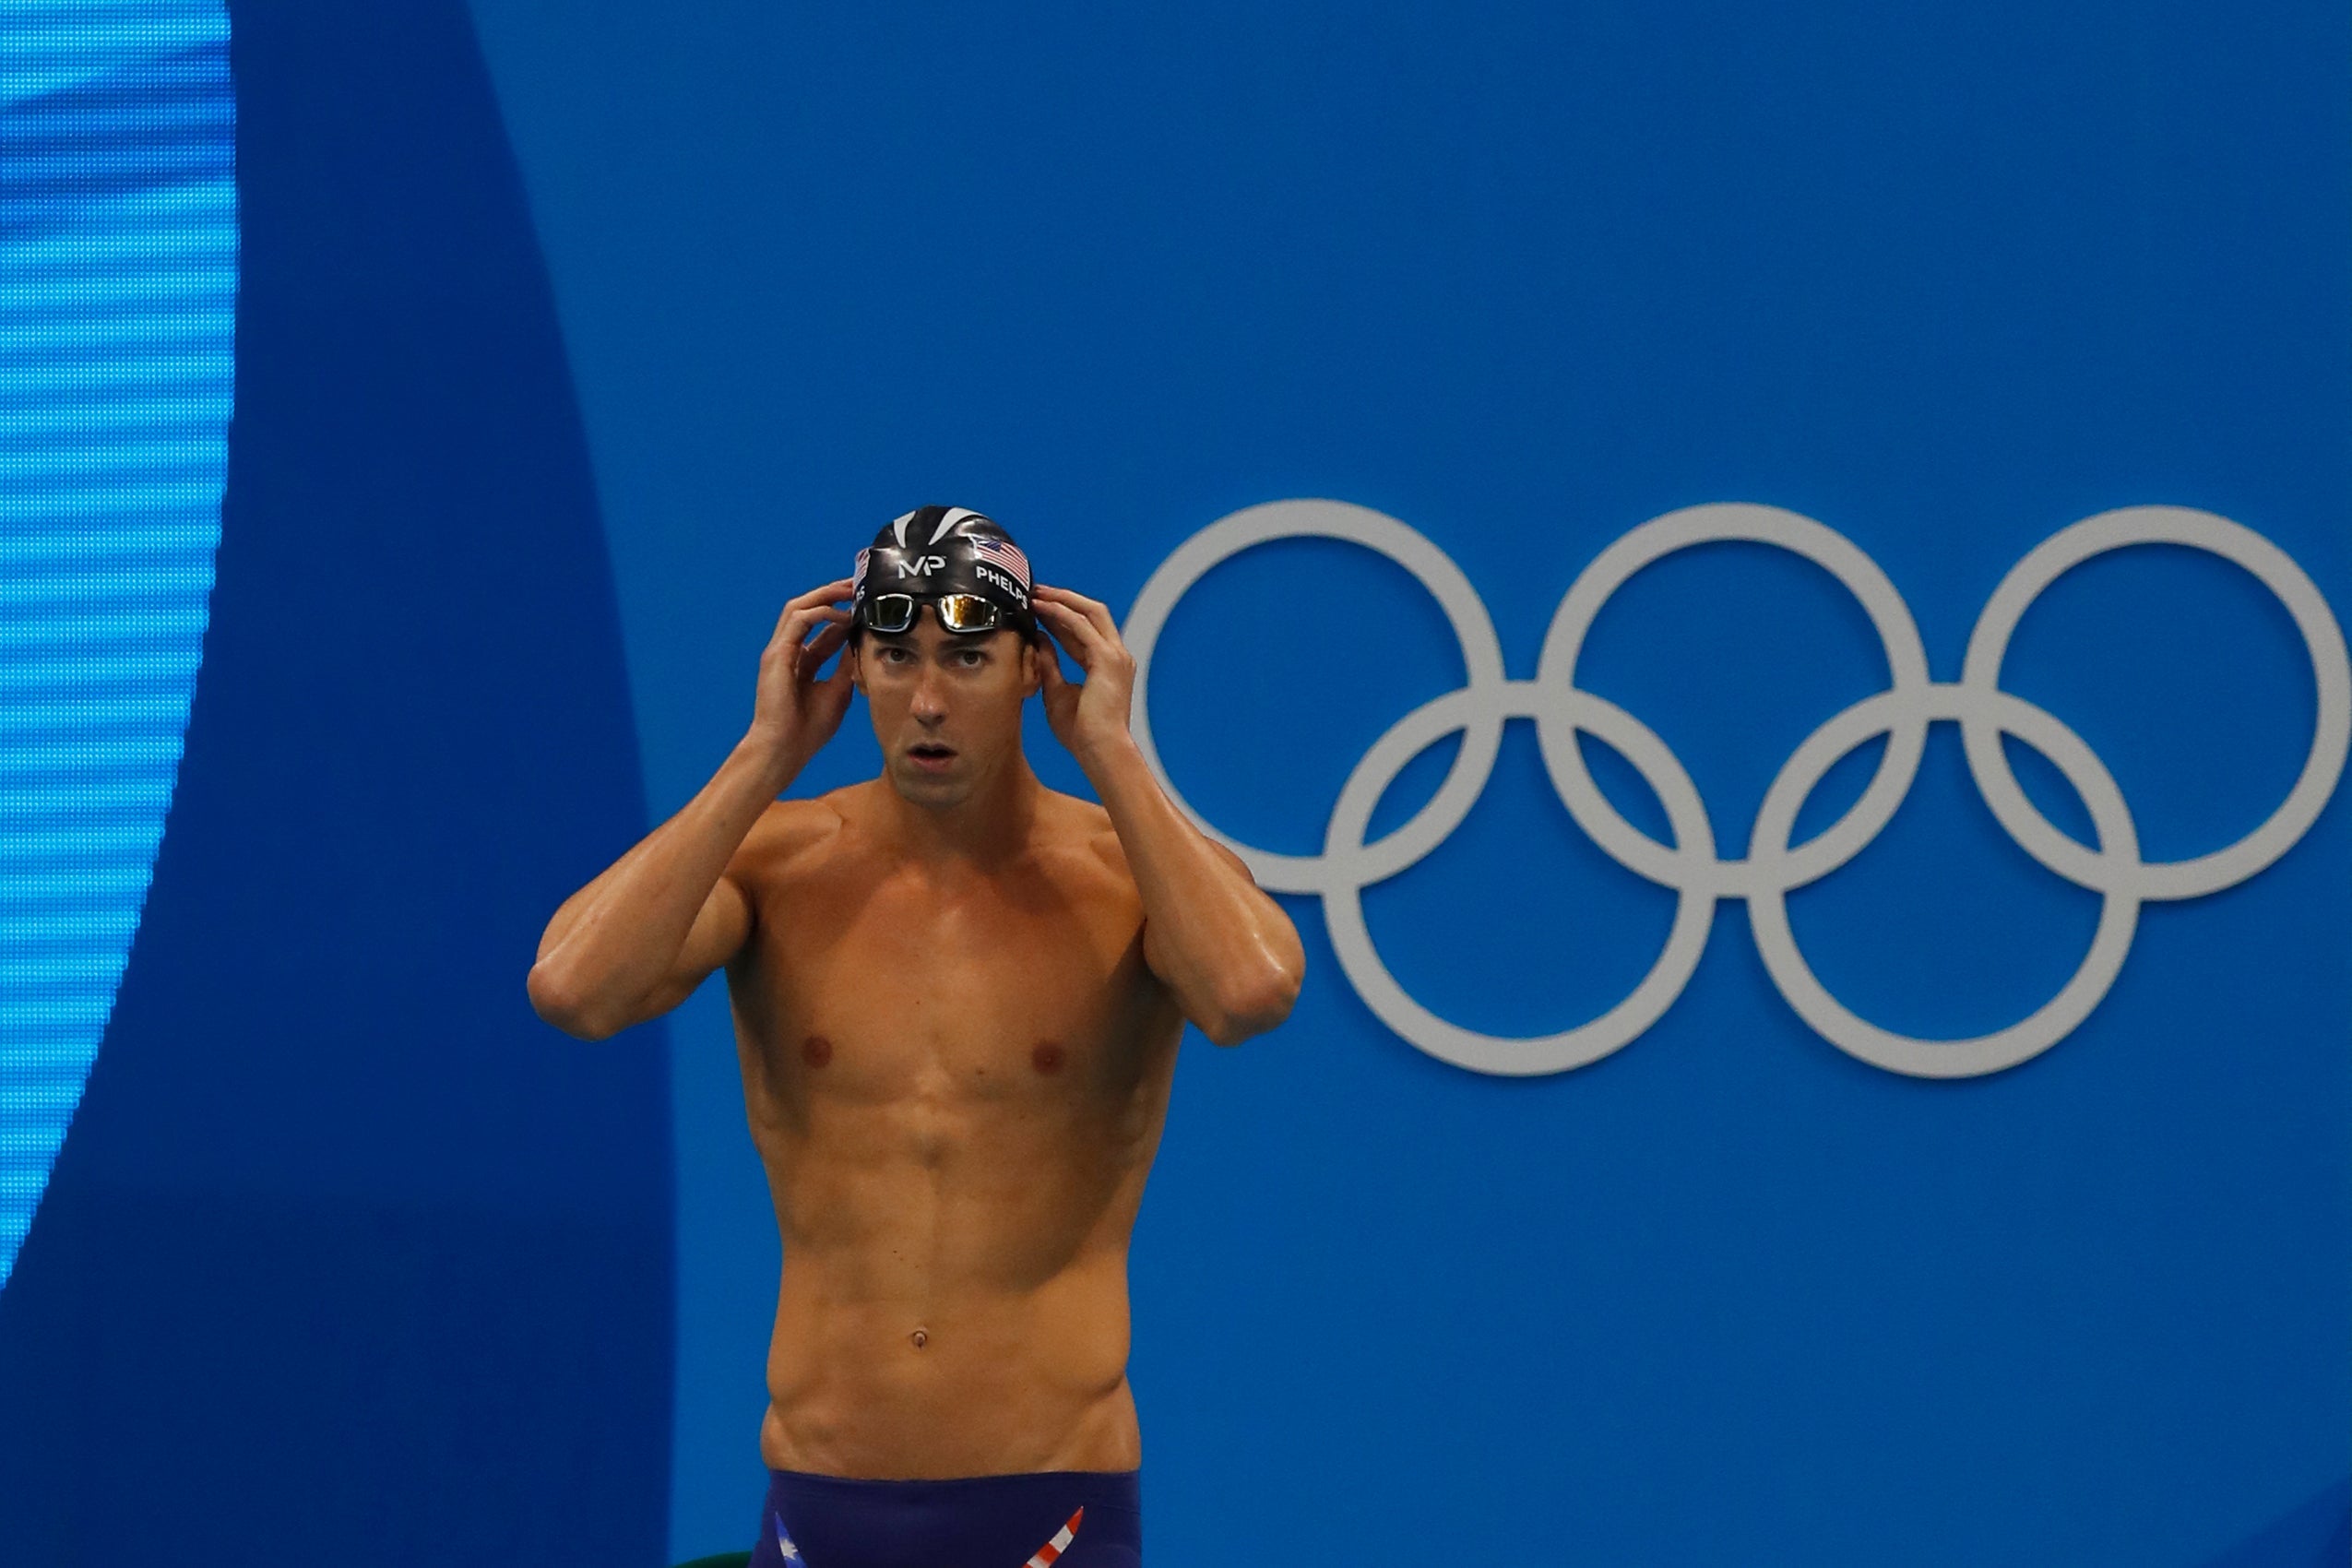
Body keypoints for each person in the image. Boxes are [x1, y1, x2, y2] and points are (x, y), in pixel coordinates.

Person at [528, 506, 1305, 1568]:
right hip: (819, 1502)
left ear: (1036, 667)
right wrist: (760, 759)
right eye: (894, 658)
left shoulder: (1120, 876)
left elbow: (1250, 991)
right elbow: (574, 989)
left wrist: (1114, 756)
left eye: (969, 658)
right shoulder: (778, 864)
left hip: (1052, 1508)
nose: (928, 699)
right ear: (853, 668)